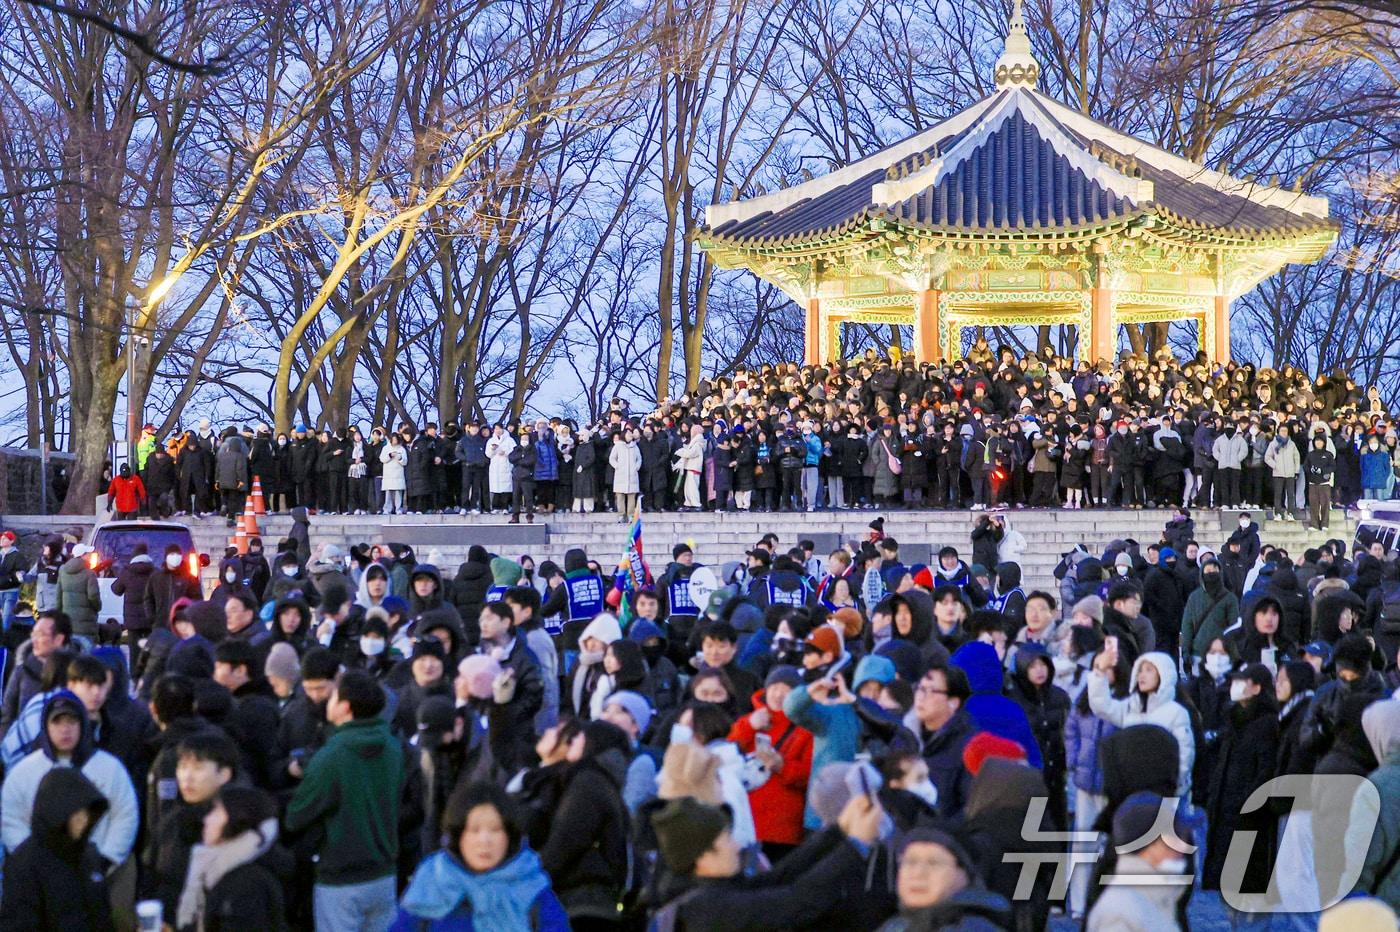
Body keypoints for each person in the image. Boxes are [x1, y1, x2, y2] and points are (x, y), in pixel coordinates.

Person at [647, 792, 885, 929]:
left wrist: (838, 830)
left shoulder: (710, 891)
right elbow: (798, 902)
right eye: (727, 839)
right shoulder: (709, 909)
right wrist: (855, 844)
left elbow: (779, 878)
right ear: (702, 857)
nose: (737, 846)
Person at [285, 669, 405, 932]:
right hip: (385, 873)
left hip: (340, 879)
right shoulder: (393, 747)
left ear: (345, 707)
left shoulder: (333, 754)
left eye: (333, 697)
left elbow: (297, 815)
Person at [392, 781, 568, 930]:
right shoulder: (432, 880)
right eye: (474, 830)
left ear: (510, 836)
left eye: (495, 829)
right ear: (458, 835)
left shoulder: (530, 885)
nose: (485, 841)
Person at [2, 768, 116, 932]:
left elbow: (103, 917)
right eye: (76, 815)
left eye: (87, 814)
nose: (83, 822)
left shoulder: (89, 856)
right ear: (57, 813)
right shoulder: (25, 864)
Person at [175, 785, 289, 932]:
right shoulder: (217, 868)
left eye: (216, 812)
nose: (207, 819)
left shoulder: (249, 884)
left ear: (239, 818)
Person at [1087, 791, 1194, 931]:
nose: (1183, 846)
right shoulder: (1120, 912)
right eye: (1175, 836)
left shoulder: (1158, 896)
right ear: (1151, 846)